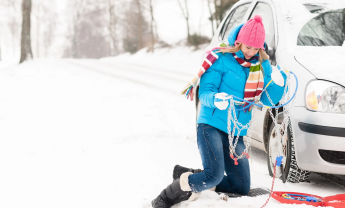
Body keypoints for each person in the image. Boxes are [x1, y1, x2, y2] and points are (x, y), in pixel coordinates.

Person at [151, 15, 287, 208]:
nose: (251, 52)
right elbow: (205, 92)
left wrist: (277, 85)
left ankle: (196, 175)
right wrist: (216, 99)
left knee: (240, 186)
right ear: (238, 42)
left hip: (235, 133)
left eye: (256, 48)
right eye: (247, 47)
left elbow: (267, 100)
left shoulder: (261, 64)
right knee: (214, 175)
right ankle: (168, 194)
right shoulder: (220, 58)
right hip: (211, 125)